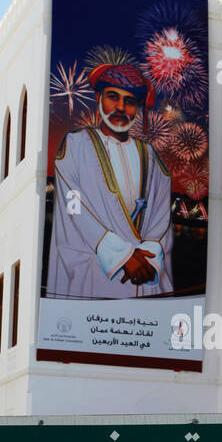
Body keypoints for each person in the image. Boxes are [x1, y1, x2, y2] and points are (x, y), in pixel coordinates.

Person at [46, 60, 173, 299]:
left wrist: (149, 254)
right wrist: (122, 256)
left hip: (145, 273)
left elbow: (161, 215)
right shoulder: (76, 145)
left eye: (130, 101)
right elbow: (74, 209)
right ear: (98, 97)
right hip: (94, 274)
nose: (120, 107)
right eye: (113, 97)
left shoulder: (150, 155)